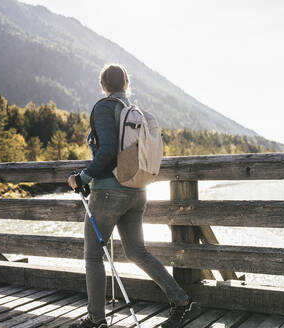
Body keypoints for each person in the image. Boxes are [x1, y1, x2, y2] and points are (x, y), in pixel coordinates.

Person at [67, 64, 201, 328]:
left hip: (109, 193)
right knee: (138, 251)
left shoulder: (105, 107)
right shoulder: (133, 111)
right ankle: (181, 299)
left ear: (103, 85)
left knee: (93, 255)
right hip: (138, 191)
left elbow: (105, 151)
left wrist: (82, 177)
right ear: (126, 83)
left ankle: (96, 319)